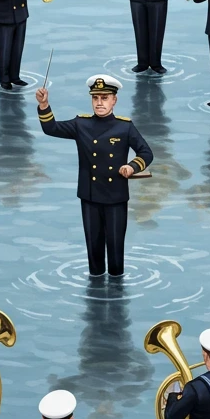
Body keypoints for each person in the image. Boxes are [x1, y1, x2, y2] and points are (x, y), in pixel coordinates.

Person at [36, 75, 153, 276]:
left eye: (105, 98)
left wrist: (132, 166)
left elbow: (146, 153)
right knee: (94, 251)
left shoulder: (125, 127)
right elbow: (51, 128)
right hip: (90, 196)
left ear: (114, 100)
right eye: (95, 98)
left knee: (116, 252)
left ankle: (117, 292)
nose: (99, 103)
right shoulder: (81, 124)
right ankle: (95, 291)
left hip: (115, 197)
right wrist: (44, 105)